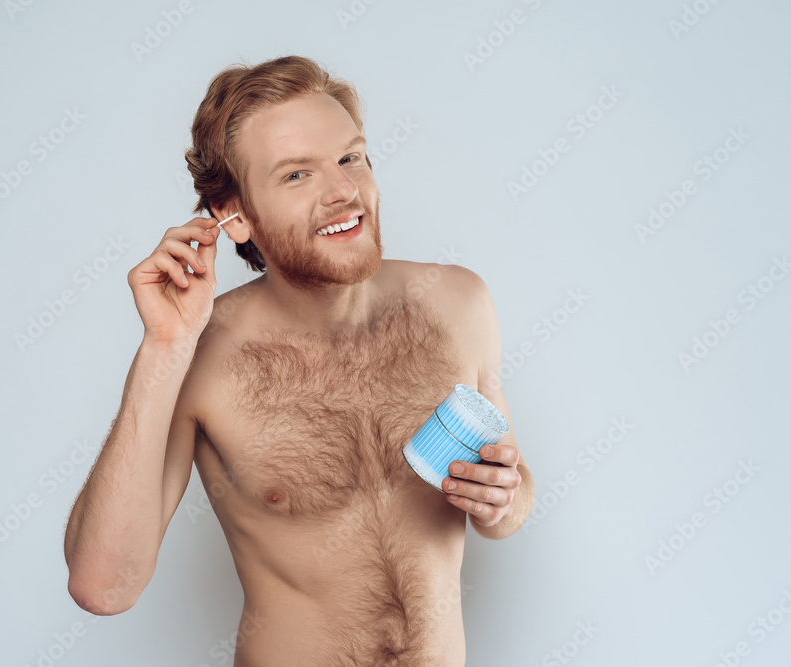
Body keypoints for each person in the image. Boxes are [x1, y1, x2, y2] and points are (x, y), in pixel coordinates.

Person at [63, 54, 534, 666]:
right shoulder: (198, 355)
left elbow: (511, 500)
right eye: (296, 175)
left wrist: (502, 499)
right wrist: (164, 348)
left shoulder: (457, 302)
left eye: (350, 158)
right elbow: (104, 587)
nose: (343, 192)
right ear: (233, 214)